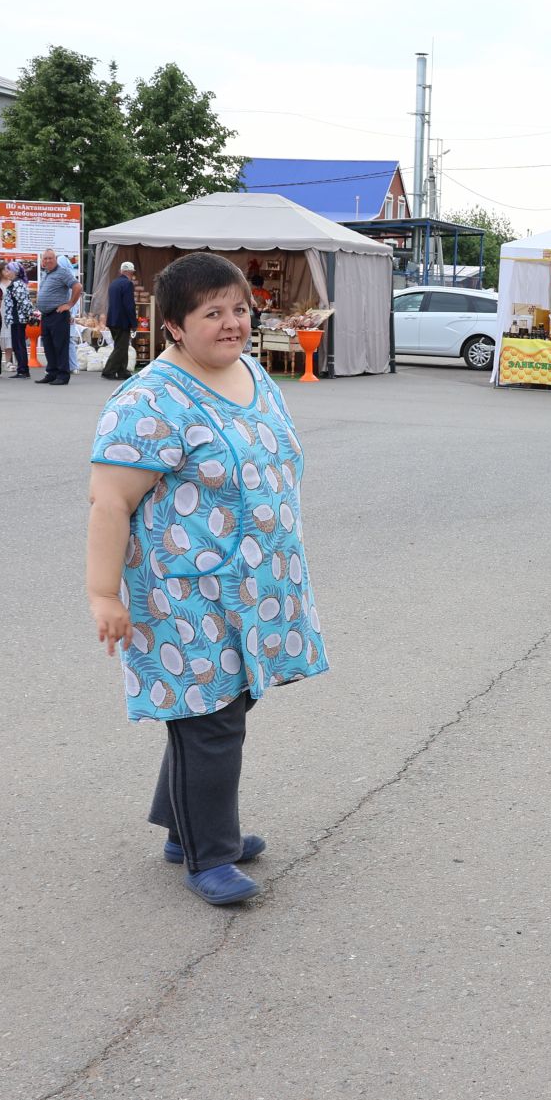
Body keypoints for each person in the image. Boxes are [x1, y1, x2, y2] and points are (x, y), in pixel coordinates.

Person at [85, 251, 329, 906]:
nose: (232, 324)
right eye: (212, 313)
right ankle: (208, 855)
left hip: (254, 589)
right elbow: (109, 501)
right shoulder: (150, 401)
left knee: (227, 701)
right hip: (183, 595)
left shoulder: (251, 373)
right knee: (209, 718)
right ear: (172, 325)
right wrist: (103, 593)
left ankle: (183, 824)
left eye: (240, 309)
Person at [35, 247, 81, 384]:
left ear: (55, 259)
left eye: (50, 258)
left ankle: (62, 375)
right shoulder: (46, 273)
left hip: (58, 314)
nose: (48, 260)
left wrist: (70, 304)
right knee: (48, 346)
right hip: (47, 315)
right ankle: (52, 373)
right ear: (42, 261)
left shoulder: (63, 272)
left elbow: (78, 287)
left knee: (60, 346)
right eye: (45, 258)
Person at [101, 260, 139, 380]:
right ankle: (108, 371)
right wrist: (134, 322)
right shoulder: (127, 284)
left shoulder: (114, 283)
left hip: (113, 319)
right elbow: (129, 305)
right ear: (131, 271)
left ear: (121, 271)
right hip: (122, 321)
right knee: (121, 347)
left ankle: (122, 371)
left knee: (121, 345)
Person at [0, 261, 33, 377]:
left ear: (14, 272)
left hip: (18, 318)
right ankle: (22, 369)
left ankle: (23, 370)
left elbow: (24, 302)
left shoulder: (17, 284)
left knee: (19, 344)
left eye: (8, 270)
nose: (6, 272)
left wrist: (29, 314)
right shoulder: (15, 283)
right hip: (15, 318)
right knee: (17, 344)